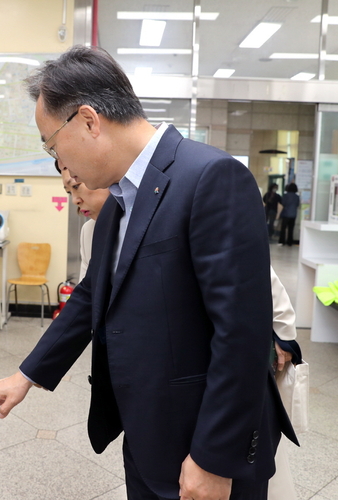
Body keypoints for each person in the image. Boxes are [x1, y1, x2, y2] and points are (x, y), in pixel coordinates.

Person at [0, 46, 297, 500]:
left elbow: (242, 333)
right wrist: (26, 376)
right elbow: (91, 297)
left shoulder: (210, 177)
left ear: (88, 121)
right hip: (147, 435)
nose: (59, 164)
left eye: (52, 146)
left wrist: (213, 460)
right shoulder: (119, 199)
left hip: (200, 449)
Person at [60, 162, 302, 499]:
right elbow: (92, 298)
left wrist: (282, 337)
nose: (74, 197)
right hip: (149, 382)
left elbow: (256, 289)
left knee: (244, 472)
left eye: (78, 184)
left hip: (216, 372)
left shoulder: (174, 207)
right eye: (68, 189)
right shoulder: (93, 232)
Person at [56, 159, 110, 280]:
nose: (75, 200)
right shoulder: (89, 230)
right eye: (69, 192)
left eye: (76, 186)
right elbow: (86, 288)